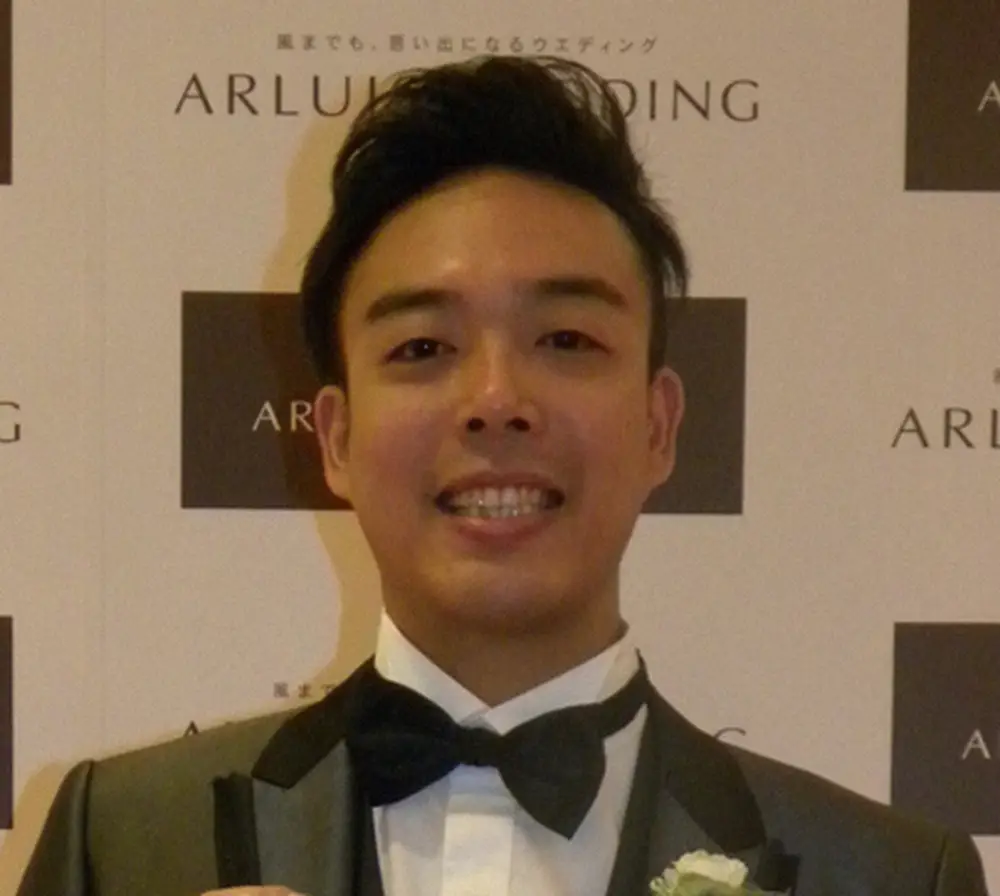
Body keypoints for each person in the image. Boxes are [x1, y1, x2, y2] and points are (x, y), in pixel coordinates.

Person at [17, 55, 988, 896]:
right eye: (423, 347)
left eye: (565, 339)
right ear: (335, 437)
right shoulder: (123, 838)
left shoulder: (888, 875)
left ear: (658, 424)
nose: (495, 398)